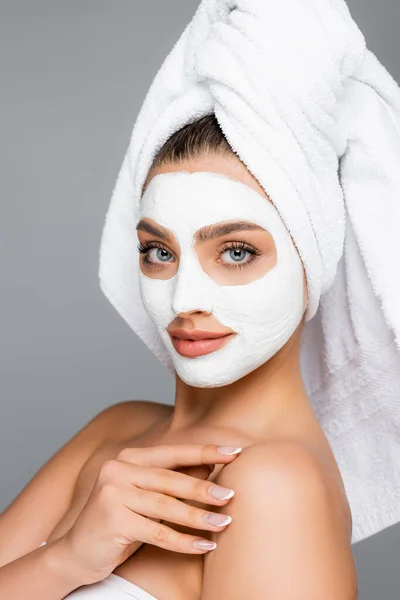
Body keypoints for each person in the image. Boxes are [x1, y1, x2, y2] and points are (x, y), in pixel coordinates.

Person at [0, 114, 357, 599]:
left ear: (312, 258)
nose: (184, 298)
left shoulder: (274, 486)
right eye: (159, 252)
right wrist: (67, 560)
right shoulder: (119, 430)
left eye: (235, 252)